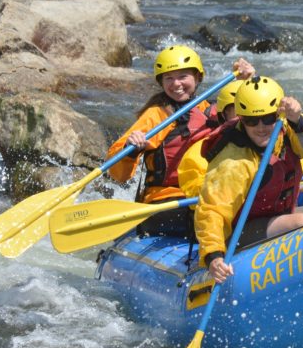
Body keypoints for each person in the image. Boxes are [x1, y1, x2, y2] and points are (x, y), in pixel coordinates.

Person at [195, 76, 303, 284]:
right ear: (241, 119)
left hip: (279, 216)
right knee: (300, 222)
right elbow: (212, 210)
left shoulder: (282, 135)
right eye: (251, 121)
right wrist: (213, 255)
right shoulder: (233, 162)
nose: (261, 127)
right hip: (239, 232)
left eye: (268, 118)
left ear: (278, 115)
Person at [105, 46, 253, 237]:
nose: (176, 84)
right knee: (214, 216)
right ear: (161, 82)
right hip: (167, 200)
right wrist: (131, 148)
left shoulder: (211, 109)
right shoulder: (157, 115)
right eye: (169, 78)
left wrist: (246, 81)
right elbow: (119, 175)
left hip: (206, 193)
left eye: (183, 76)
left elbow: (251, 119)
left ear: (198, 78)